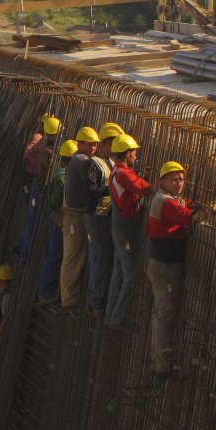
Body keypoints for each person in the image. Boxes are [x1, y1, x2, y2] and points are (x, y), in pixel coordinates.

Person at [147, 161, 202, 378]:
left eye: (181, 179)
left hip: (163, 262)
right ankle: (163, 366)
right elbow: (186, 217)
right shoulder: (165, 201)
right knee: (166, 314)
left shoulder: (171, 199)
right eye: (173, 179)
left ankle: (159, 360)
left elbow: (184, 206)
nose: (178, 183)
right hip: (165, 264)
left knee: (161, 312)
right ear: (162, 182)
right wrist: (202, 211)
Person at [105, 134, 151, 329]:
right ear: (128, 153)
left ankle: (110, 317)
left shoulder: (117, 170)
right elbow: (145, 189)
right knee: (130, 274)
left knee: (118, 273)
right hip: (124, 227)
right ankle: (116, 320)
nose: (136, 156)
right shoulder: (123, 173)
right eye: (134, 152)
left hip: (120, 223)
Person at [83, 121, 123, 322]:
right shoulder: (94, 163)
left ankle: (96, 300)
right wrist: (112, 189)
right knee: (99, 260)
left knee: (101, 259)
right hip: (96, 218)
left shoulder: (111, 163)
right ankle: (97, 304)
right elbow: (90, 192)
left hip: (105, 217)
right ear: (107, 142)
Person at [60, 126, 99, 308]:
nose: (92, 148)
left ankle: (70, 296)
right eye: (89, 144)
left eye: (95, 145)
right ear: (80, 144)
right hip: (74, 217)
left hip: (74, 215)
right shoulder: (81, 160)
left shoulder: (77, 159)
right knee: (73, 256)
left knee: (75, 255)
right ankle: (69, 299)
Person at [14, 114, 62, 264]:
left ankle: (20, 246)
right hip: (38, 186)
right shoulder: (45, 148)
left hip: (39, 185)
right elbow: (28, 152)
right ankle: (24, 254)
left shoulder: (49, 145)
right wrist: (35, 164)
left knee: (33, 220)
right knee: (33, 220)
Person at [38, 138, 77, 304]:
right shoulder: (63, 178)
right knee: (55, 256)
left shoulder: (62, 174)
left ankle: (49, 290)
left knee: (57, 256)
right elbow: (55, 203)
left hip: (57, 219)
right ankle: (46, 292)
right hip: (58, 221)